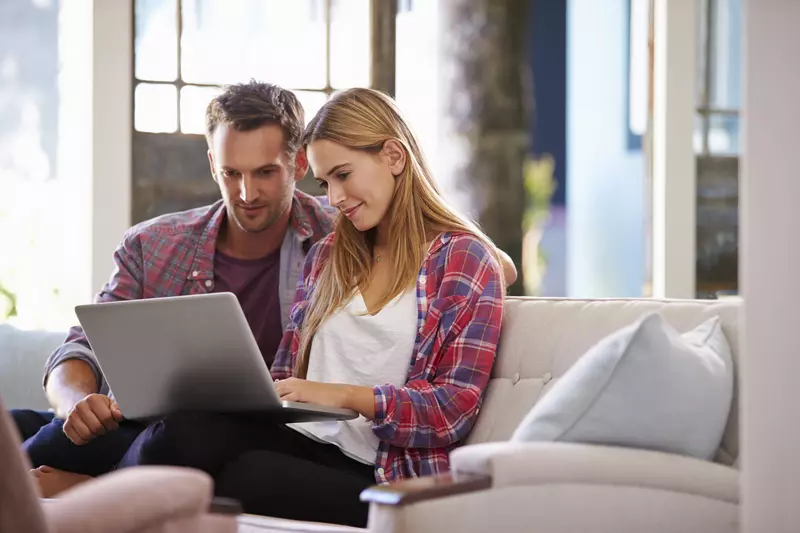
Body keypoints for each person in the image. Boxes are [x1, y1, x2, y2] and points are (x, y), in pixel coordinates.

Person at [11, 81, 518, 498]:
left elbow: (450, 406)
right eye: (328, 184)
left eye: (342, 176)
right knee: (174, 427)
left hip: (376, 465)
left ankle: (88, 497)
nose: (337, 198)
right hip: (292, 434)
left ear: (394, 155)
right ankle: (42, 490)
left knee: (230, 466)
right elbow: (283, 373)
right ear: (214, 165)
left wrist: (338, 394)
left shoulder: (448, 257)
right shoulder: (334, 253)